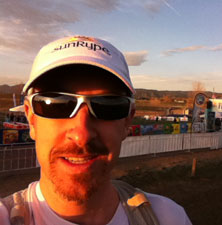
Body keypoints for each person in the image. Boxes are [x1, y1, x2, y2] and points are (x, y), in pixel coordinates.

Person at [0, 36, 192, 225]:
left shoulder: (168, 218)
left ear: (127, 121)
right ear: (31, 119)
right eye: (56, 104)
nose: (81, 134)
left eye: (107, 106)